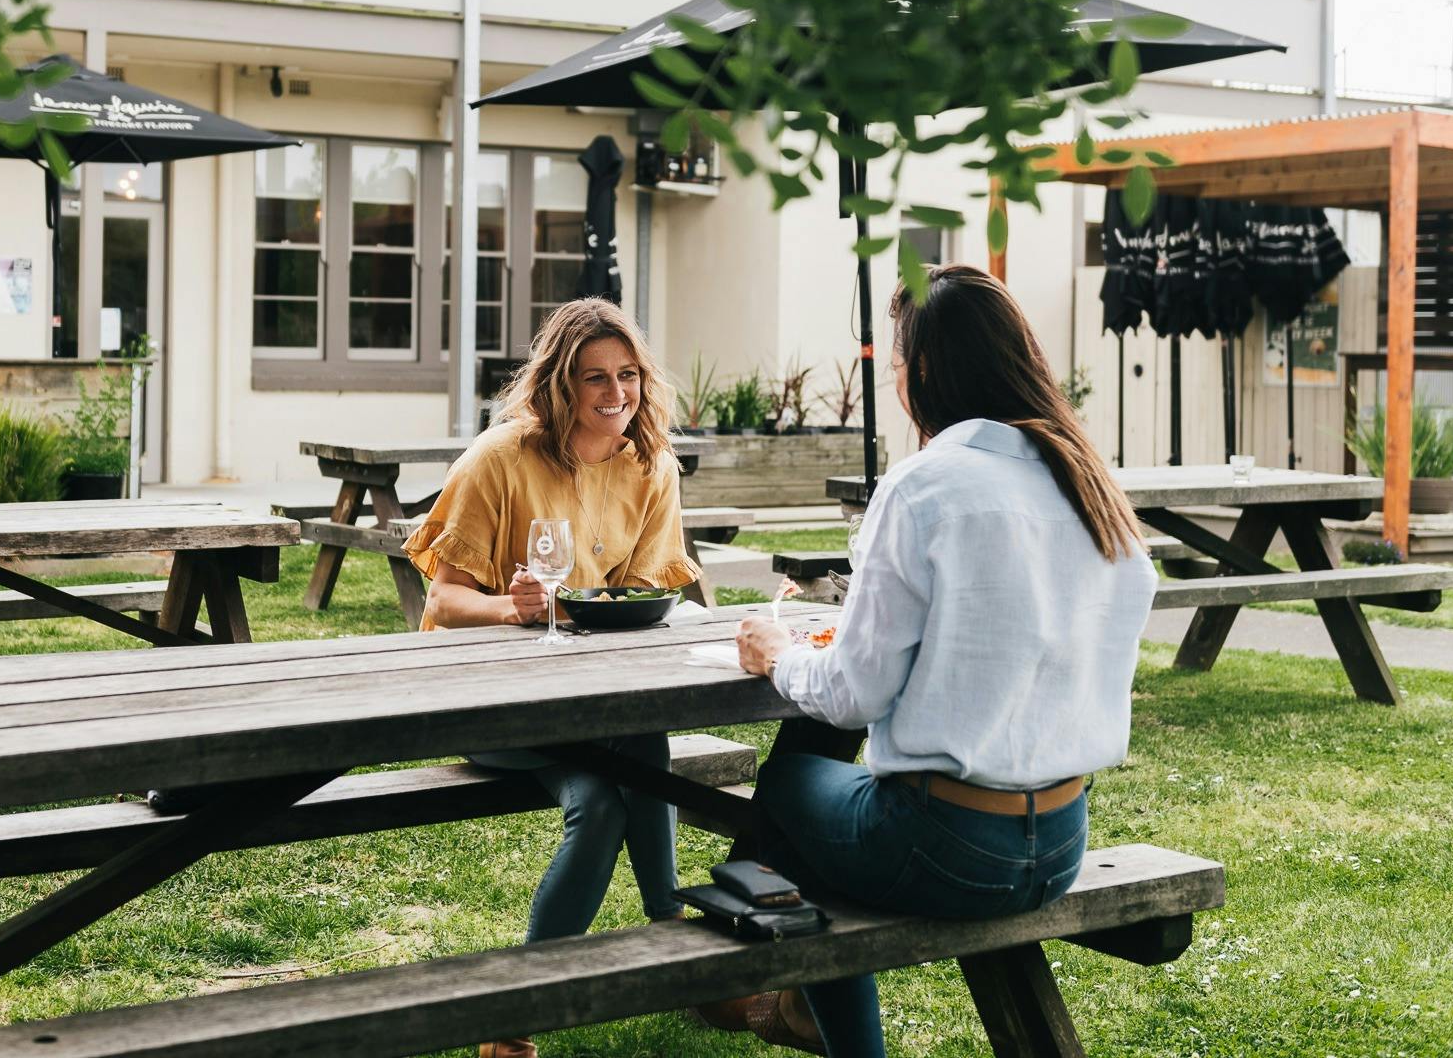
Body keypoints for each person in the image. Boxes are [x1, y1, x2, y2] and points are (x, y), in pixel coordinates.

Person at [731, 264, 1158, 1057]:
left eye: (895, 366)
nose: (897, 382)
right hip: (1060, 837)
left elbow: (856, 693)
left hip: (948, 845)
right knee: (817, 771)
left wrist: (780, 654)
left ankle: (801, 1009)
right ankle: (772, 993)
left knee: (787, 784)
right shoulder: (1089, 481)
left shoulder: (924, 485)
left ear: (922, 369)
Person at [402, 297, 699, 1058]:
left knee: (609, 788)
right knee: (629, 762)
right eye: (594, 377)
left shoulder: (651, 465)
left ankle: (515, 1018)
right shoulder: (498, 459)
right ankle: (678, 941)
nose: (616, 394)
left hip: (587, 703)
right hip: (487, 702)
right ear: (561, 383)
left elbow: (637, 591)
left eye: (628, 374)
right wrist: (511, 608)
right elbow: (441, 599)